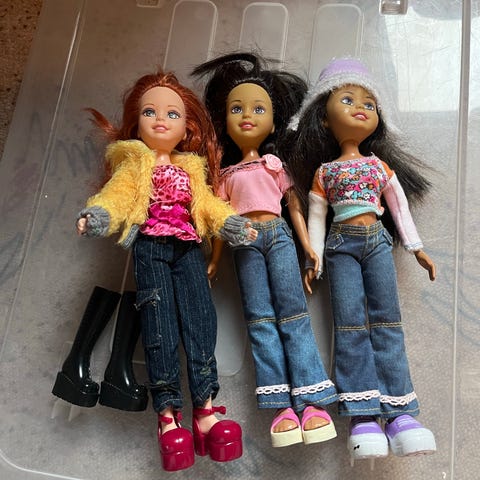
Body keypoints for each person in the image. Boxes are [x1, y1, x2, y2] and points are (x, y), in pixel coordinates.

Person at [76, 69, 257, 471]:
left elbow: (206, 204)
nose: (161, 119)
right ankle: (168, 414)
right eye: (150, 112)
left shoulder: (190, 166)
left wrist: (229, 223)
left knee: (201, 319)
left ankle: (205, 410)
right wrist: (99, 215)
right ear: (136, 121)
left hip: (188, 248)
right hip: (151, 249)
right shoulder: (134, 162)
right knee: (159, 325)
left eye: (172, 114)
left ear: (187, 125)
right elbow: (117, 196)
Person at [285, 57, 437, 461]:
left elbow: (399, 208)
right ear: (323, 119)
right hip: (340, 248)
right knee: (350, 325)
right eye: (348, 100)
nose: (360, 108)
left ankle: (400, 412)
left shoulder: (379, 167)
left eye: (369, 103)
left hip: (376, 244)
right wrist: (313, 258)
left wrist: (416, 247)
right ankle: (363, 414)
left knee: (388, 322)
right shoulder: (324, 172)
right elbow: (316, 217)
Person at [192, 52, 337, 448]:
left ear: (273, 123)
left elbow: (294, 206)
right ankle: (280, 406)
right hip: (243, 242)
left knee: (293, 314)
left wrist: (309, 247)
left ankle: (311, 400)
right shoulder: (225, 175)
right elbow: (221, 222)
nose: (247, 116)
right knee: (259, 319)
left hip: (278, 236)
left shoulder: (274, 164)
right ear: (225, 123)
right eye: (237, 109)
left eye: (258, 109)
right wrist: (215, 257)